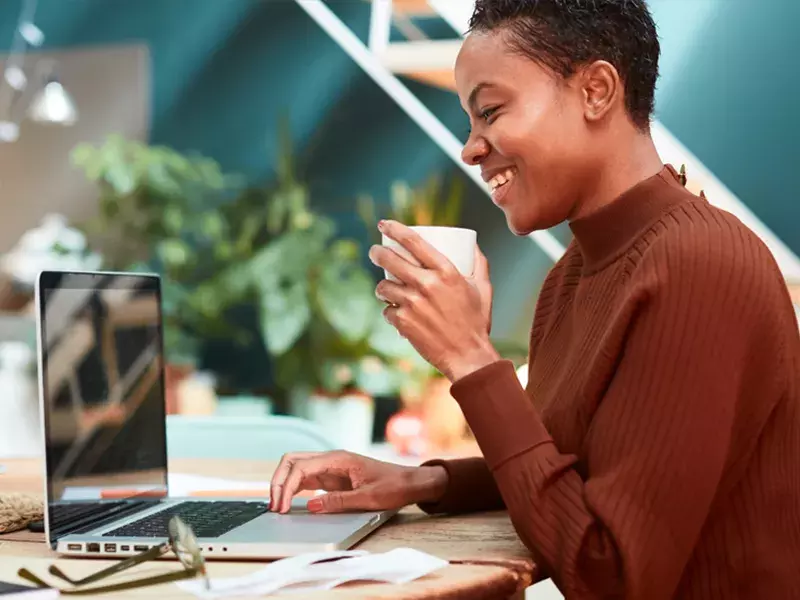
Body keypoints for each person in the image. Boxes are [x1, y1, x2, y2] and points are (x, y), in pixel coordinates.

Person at [270, 0, 800, 597]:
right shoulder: (572, 275)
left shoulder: (701, 267)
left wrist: (470, 358)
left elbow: (611, 575)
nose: (471, 148)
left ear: (596, 90)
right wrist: (422, 483)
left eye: (490, 111)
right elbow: (569, 473)